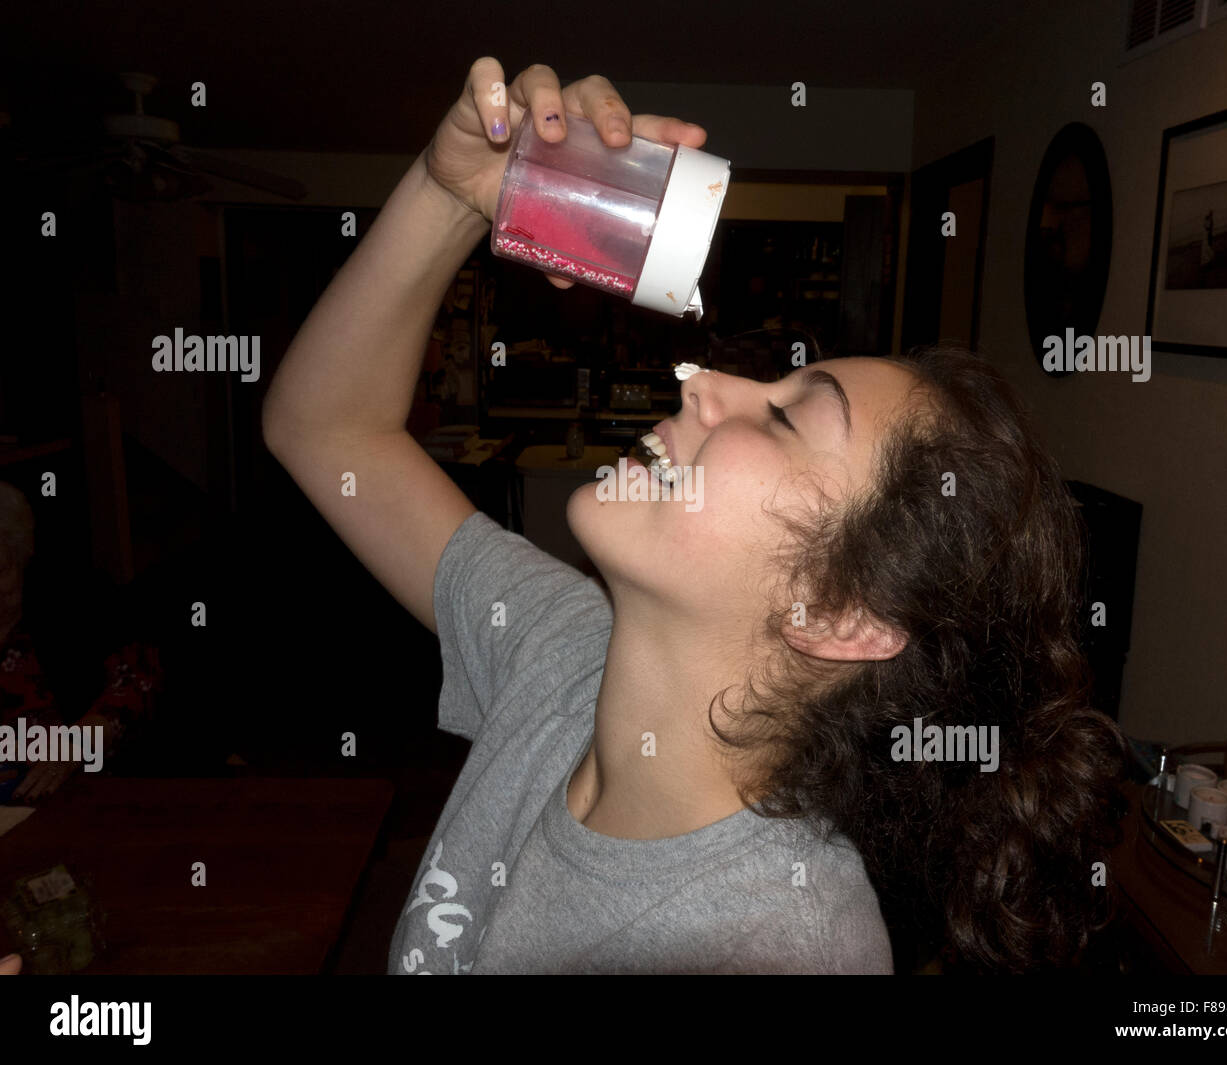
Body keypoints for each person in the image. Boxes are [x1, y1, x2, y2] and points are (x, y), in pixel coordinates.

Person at [263, 58, 1127, 974]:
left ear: (839, 613)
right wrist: (458, 193)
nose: (703, 380)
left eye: (789, 415)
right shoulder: (558, 647)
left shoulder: (783, 947)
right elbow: (325, 427)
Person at [0, 482, 163, 801]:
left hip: (75, 794)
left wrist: (81, 740)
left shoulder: (73, 601)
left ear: (21, 558)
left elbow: (142, 675)